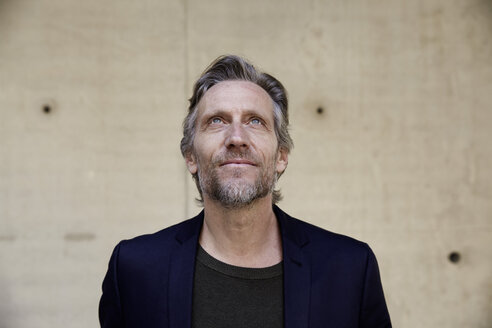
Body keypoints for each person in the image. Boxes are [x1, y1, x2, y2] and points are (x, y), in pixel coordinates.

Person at [99, 55, 392, 328]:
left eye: (255, 121)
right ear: (190, 156)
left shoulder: (350, 269)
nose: (237, 138)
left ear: (281, 156)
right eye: (217, 120)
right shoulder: (134, 269)